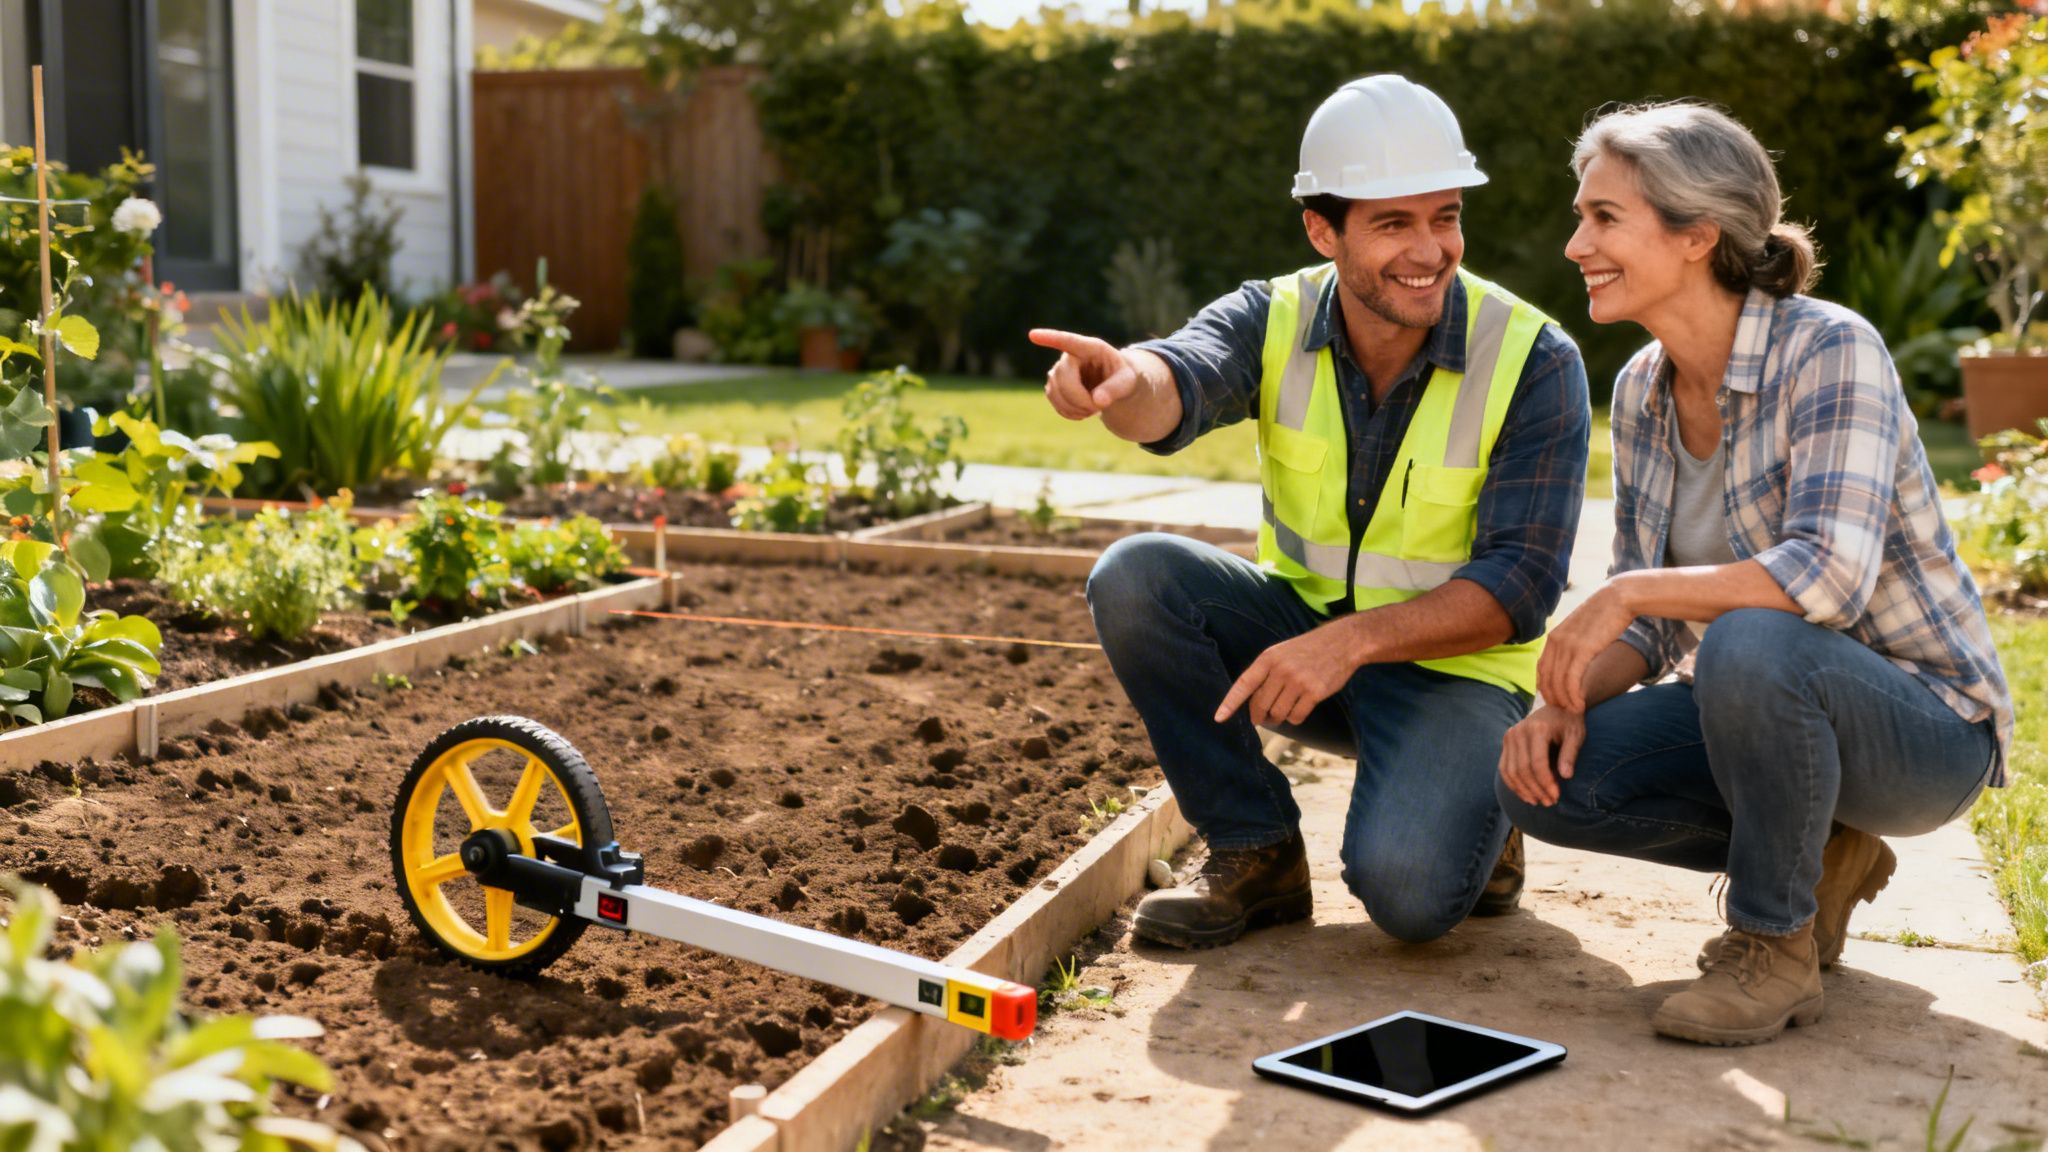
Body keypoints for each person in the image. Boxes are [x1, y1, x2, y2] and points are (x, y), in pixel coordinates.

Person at [1031, 75, 1591, 948]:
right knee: (1136, 578)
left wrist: (1350, 643)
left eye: (1444, 216)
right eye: (1393, 224)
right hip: (1306, 640)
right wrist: (1120, 381)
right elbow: (1175, 380)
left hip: (1462, 673)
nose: (1429, 250)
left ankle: (1485, 805)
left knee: (1410, 899)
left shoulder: (1532, 357)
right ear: (1322, 230)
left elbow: (1521, 586)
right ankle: (1257, 852)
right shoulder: (1275, 315)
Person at [1496, 102, 2013, 1045]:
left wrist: (1623, 595)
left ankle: (1774, 945)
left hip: (1926, 733)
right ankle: (1826, 859)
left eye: (1604, 217)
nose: (1576, 243)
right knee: (1553, 780)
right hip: (1768, 704)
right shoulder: (1643, 389)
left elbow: (1827, 580)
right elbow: (1650, 632)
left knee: (1751, 636)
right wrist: (1568, 696)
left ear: (1697, 235)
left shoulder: (1830, 349)